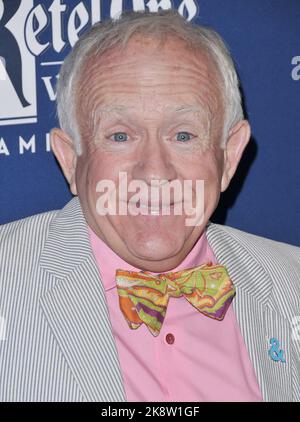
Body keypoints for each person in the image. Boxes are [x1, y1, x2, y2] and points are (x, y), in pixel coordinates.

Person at [0, 9, 299, 402]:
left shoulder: (291, 281)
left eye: (184, 134)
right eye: (121, 136)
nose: (154, 172)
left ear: (229, 156)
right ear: (71, 158)